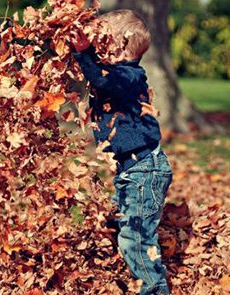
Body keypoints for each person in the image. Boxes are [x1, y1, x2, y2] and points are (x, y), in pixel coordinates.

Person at [71, 9, 173, 295]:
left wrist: (84, 54)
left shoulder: (129, 77)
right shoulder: (116, 75)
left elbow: (102, 79)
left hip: (144, 171)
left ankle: (154, 289)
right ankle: (125, 274)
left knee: (136, 238)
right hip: (132, 171)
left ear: (120, 45)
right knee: (115, 223)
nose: (97, 48)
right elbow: (98, 76)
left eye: (103, 42)